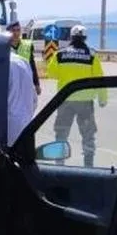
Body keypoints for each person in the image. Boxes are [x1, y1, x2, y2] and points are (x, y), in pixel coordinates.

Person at [44, 24, 107, 167]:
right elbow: (99, 79)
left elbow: (51, 73)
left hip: (65, 100)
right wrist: (102, 99)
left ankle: (59, 165)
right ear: (85, 38)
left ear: (71, 37)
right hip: (85, 101)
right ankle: (88, 166)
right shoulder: (91, 55)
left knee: (61, 134)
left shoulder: (60, 54)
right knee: (88, 136)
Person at [7, 51, 37, 143]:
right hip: (26, 126)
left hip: (6, 131)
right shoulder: (23, 61)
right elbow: (34, 99)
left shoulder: (0, 64)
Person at [7, 21, 41, 96]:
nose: (16, 33)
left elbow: (32, 66)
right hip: (10, 84)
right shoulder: (3, 47)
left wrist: (37, 84)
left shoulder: (27, 45)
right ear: (8, 32)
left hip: (25, 83)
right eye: (13, 30)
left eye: (18, 30)